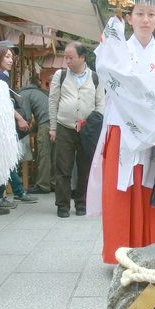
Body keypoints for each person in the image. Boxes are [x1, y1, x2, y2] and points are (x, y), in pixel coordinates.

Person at [88, 0, 155, 264]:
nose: (145, 19)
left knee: (150, 186)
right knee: (124, 189)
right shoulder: (117, 51)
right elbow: (107, 71)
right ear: (129, 17)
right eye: (140, 13)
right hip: (123, 131)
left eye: (151, 15)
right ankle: (121, 252)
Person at [49, 42, 104, 218]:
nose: (67, 60)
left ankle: (82, 203)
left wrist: (93, 124)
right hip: (64, 126)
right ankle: (62, 205)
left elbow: (100, 104)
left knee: (85, 167)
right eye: (65, 57)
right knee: (63, 167)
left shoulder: (95, 77)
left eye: (70, 57)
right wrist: (52, 127)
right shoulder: (61, 75)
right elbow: (53, 101)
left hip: (86, 130)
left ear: (82, 57)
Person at [0, 43, 37, 208]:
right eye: (7, 56)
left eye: (12, 56)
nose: (11, 60)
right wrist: (19, 117)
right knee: (3, 159)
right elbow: (3, 102)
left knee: (4, 160)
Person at [21, 74, 55, 194]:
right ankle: (53, 183)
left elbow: (27, 117)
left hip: (45, 123)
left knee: (43, 154)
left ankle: (42, 185)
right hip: (56, 122)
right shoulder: (41, 93)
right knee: (54, 154)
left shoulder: (24, 94)